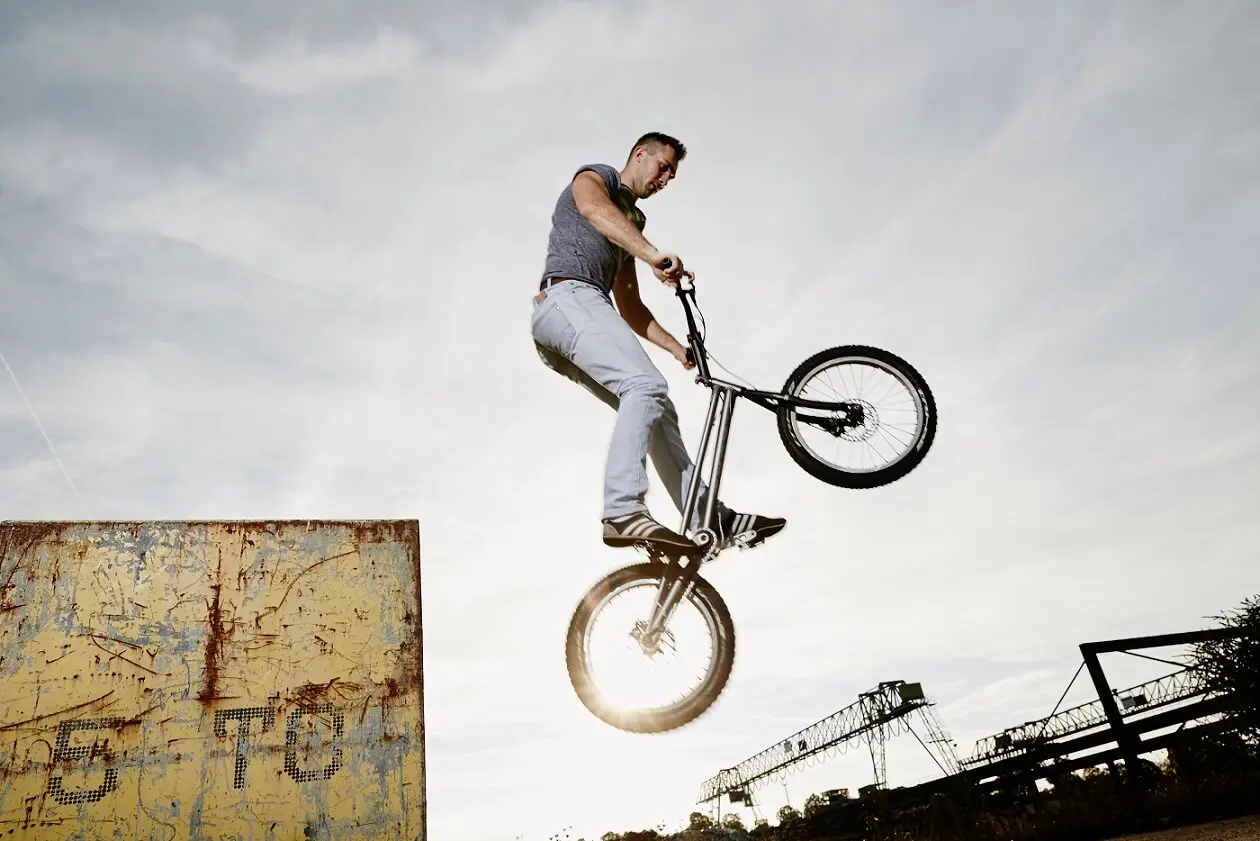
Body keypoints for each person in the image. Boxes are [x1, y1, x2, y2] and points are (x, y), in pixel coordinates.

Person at [530, 131, 786, 555]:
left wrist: (675, 348)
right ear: (639, 154)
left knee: (656, 407)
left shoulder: (632, 223)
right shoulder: (599, 179)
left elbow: (629, 304)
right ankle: (622, 510)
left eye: (672, 173)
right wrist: (651, 253)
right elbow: (593, 209)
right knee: (645, 387)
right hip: (566, 298)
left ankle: (708, 516)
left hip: (578, 314)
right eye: (663, 166)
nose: (666, 177)